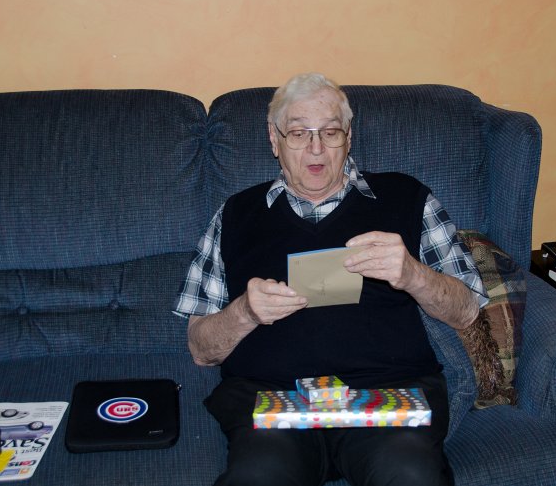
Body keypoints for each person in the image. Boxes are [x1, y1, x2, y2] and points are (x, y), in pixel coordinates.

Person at [174, 73, 488, 486]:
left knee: (411, 475)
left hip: (387, 399)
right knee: (258, 477)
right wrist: (245, 312)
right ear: (275, 140)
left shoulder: (406, 198)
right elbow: (200, 349)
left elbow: (468, 310)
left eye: (330, 132)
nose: (316, 148)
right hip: (274, 401)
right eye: (300, 133)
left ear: (349, 137)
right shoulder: (234, 215)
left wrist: (412, 274)